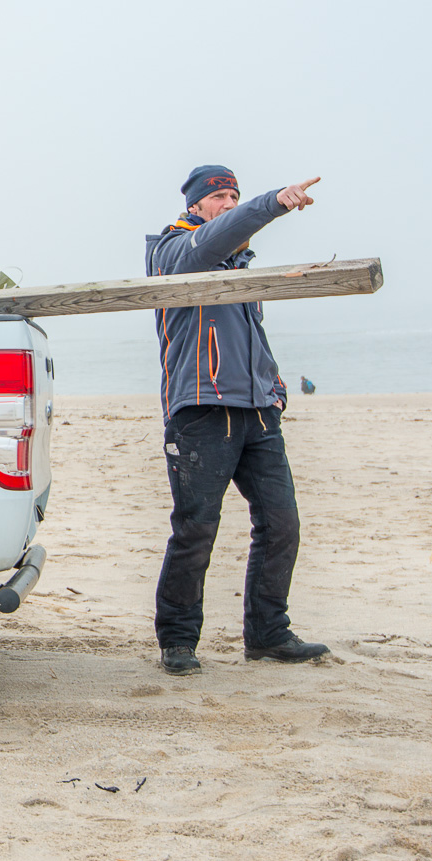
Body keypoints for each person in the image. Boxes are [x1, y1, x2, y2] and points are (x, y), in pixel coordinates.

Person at [147, 165, 330, 676]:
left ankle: (268, 634)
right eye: (219, 197)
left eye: (234, 196)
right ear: (195, 206)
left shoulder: (239, 266)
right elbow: (217, 237)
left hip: (258, 413)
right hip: (201, 413)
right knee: (196, 530)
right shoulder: (173, 251)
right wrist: (274, 201)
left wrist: (273, 386)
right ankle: (178, 642)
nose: (228, 204)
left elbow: (249, 338)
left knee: (281, 524)